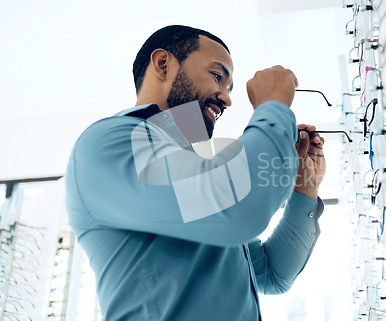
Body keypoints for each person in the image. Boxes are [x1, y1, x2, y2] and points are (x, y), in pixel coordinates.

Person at [65, 25, 326, 321]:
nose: (226, 99)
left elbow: (270, 274)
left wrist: (304, 187)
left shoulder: (194, 173)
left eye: (229, 88)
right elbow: (240, 209)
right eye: (217, 76)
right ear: (163, 64)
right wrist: (273, 106)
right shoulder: (108, 143)